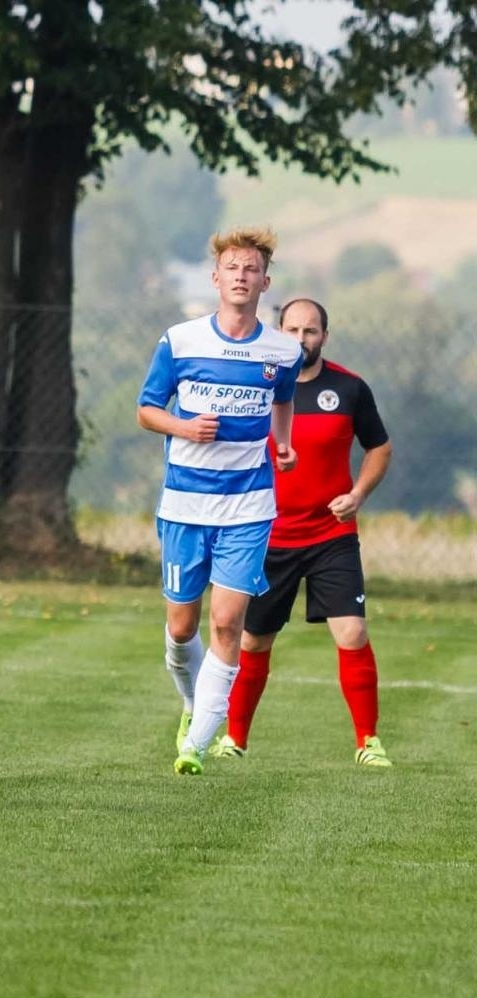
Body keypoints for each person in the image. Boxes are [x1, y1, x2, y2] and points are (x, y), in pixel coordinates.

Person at [137, 226, 303, 776]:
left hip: (249, 506)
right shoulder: (180, 340)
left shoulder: (283, 349)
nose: (240, 276)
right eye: (232, 267)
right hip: (184, 505)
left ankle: (198, 744)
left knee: (229, 623)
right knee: (183, 628)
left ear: (264, 281)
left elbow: (282, 401)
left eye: (250, 269)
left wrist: (281, 444)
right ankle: (191, 704)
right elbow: (146, 410)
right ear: (216, 278)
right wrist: (185, 427)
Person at [210, 298, 394, 766]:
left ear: (324, 338)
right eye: (292, 330)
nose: (300, 339)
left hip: (331, 536)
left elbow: (380, 448)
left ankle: (368, 742)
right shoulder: (256, 385)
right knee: (252, 641)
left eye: (310, 331)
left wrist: (357, 495)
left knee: (352, 632)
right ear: (279, 332)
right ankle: (234, 739)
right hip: (268, 537)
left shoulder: (350, 389)